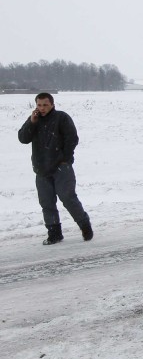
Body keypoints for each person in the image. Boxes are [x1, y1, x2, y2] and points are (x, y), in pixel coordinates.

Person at [17, 92, 93, 245]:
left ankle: (84, 225)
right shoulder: (34, 120)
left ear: (52, 104)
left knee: (68, 198)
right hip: (41, 169)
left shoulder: (61, 118)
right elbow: (23, 139)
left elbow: (72, 138)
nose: (42, 108)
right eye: (39, 105)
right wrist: (31, 123)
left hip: (61, 167)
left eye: (45, 105)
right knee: (47, 203)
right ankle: (54, 233)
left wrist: (65, 159)